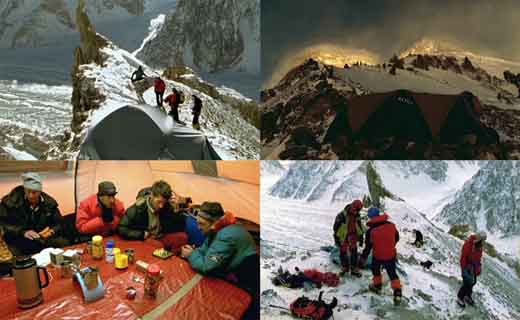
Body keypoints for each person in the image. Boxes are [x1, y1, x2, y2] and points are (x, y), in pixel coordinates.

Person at [180, 202, 259, 319]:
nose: (198, 227)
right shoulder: (218, 228)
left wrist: (191, 255)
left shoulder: (226, 236)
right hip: (234, 268)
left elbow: (207, 266)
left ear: (213, 223)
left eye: (201, 224)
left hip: (245, 280)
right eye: (198, 223)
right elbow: (205, 249)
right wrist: (195, 252)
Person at [0, 173, 68, 255]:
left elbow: (59, 223)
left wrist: (49, 232)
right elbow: (4, 224)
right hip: (18, 239)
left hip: (40, 238)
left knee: (63, 243)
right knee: (14, 255)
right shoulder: (10, 202)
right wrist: (23, 232)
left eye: (34, 192)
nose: (31, 195)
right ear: (24, 190)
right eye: (28, 191)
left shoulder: (49, 203)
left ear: (40, 191)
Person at [117, 180, 187, 254]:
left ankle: (173, 260)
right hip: (147, 238)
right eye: (159, 202)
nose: (161, 206)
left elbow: (180, 228)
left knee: (183, 237)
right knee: (159, 246)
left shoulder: (167, 206)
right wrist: (141, 234)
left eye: (164, 202)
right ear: (152, 195)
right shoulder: (137, 209)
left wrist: (177, 212)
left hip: (161, 235)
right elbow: (121, 228)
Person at [360, 207, 402, 305]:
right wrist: (389, 246)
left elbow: (368, 248)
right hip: (390, 255)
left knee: (376, 270)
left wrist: (362, 259)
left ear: (370, 217)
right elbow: (397, 238)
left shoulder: (370, 231)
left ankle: (377, 286)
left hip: (378, 256)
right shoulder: (392, 225)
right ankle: (397, 292)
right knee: (392, 273)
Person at [333, 199, 364, 277]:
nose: (357, 212)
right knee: (343, 252)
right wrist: (336, 238)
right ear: (353, 206)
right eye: (357, 209)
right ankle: (345, 267)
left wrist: (361, 237)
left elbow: (359, 227)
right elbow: (335, 227)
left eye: (359, 210)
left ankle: (354, 269)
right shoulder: (341, 215)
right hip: (344, 236)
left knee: (354, 252)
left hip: (353, 236)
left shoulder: (357, 215)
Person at [457, 231, 486, 308]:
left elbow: (478, 259)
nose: (483, 242)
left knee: (473, 282)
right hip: (467, 266)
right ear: (479, 239)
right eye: (482, 240)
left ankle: (467, 295)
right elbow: (463, 257)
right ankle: (460, 297)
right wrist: (464, 269)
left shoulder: (479, 247)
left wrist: (478, 267)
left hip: (473, 267)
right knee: (467, 282)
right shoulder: (469, 244)